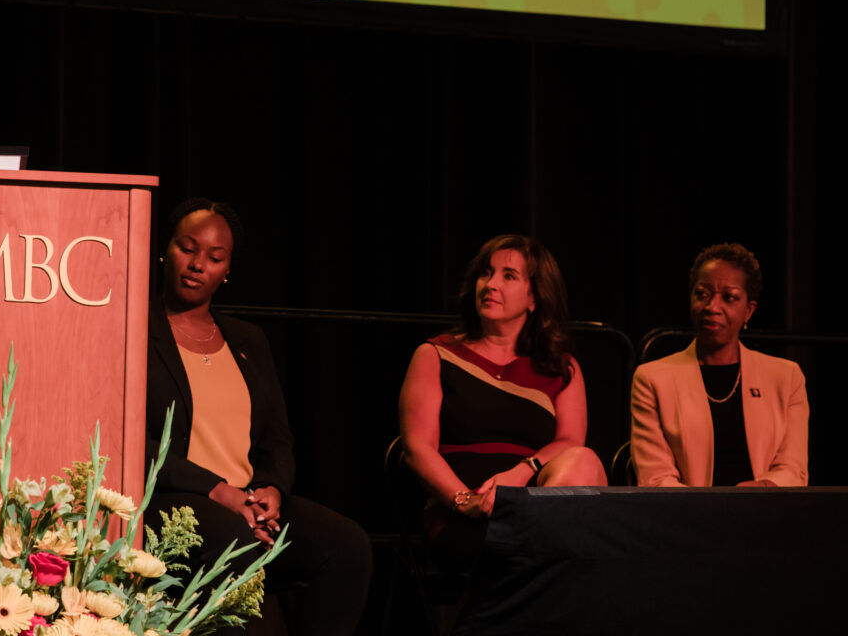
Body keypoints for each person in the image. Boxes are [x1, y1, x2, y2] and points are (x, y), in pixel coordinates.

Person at [145, 198, 372, 636]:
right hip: (179, 501)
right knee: (235, 543)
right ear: (165, 251)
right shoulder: (135, 329)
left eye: (214, 258)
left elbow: (278, 439)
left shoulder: (249, 339)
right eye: (187, 248)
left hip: (248, 502)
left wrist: (272, 492)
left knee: (348, 547)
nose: (197, 265)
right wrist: (219, 492)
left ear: (227, 271)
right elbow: (133, 438)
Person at [399, 234, 606, 554]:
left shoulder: (562, 368)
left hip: (533, 501)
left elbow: (570, 442)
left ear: (534, 297)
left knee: (583, 461)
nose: (491, 284)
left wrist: (519, 474)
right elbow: (417, 448)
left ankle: (538, 562)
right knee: (563, 553)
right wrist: (463, 500)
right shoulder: (437, 354)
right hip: (463, 508)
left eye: (508, 276)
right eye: (485, 272)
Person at [630, 243, 808, 487]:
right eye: (702, 294)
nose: (712, 307)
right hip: (686, 517)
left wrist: (762, 491)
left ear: (748, 310)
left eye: (729, 297)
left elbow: (792, 469)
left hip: (765, 514)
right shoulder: (652, 379)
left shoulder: (786, 377)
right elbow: (657, 479)